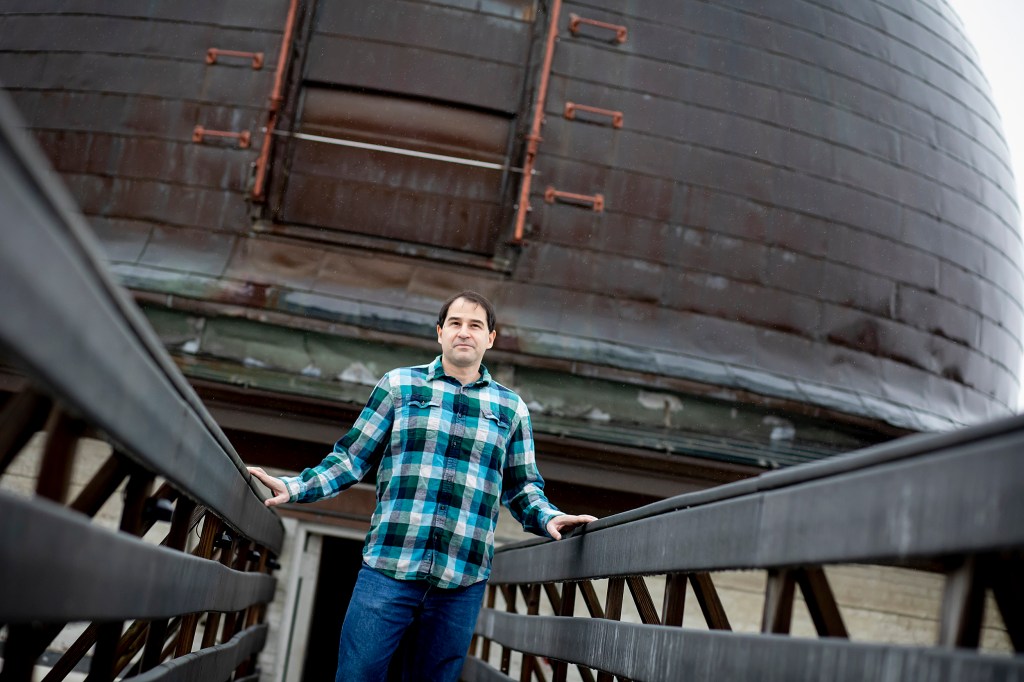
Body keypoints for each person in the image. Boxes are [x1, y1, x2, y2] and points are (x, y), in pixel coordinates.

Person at [249, 290, 597, 682]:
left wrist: (548, 517)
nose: (464, 332)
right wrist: (295, 487)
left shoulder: (511, 408)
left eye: (475, 325)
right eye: (455, 323)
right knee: (356, 674)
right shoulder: (399, 386)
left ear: (490, 338)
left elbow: (522, 487)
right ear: (440, 333)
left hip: (461, 579)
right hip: (389, 566)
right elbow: (351, 459)